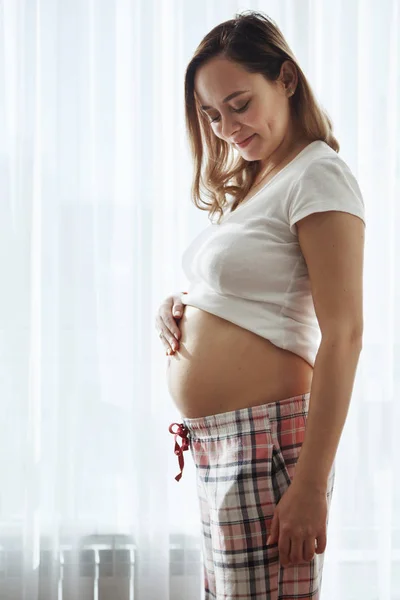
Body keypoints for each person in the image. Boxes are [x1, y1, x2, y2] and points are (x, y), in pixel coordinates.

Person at [156, 10, 365, 600]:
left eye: (239, 104)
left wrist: (308, 483)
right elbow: (252, 291)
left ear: (287, 80)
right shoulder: (259, 182)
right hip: (222, 443)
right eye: (211, 115)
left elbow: (344, 333)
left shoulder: (317, 175)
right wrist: (182, 305)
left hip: (268, 445)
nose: (226, 127)